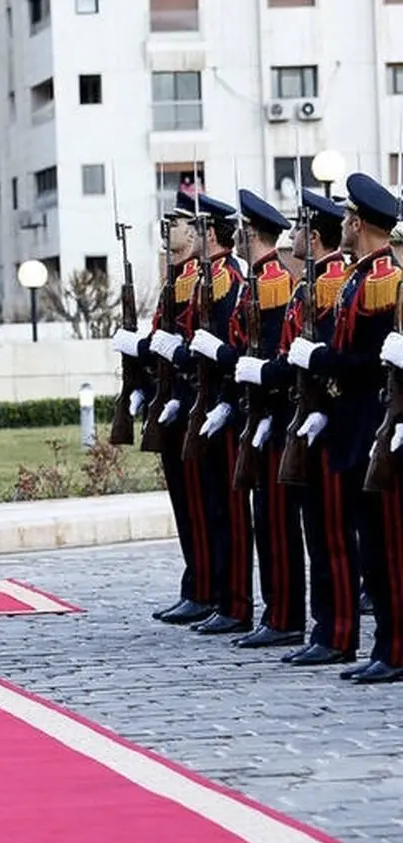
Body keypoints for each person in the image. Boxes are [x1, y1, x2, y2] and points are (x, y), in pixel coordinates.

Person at [290, 172, 403, 683]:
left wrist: (322, 361)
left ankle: (395, 648)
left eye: (350, 218)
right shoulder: (361, 275)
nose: (345, 225)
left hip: (371, 420)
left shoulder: (384, 277)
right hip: (350, 425)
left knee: (387, 546)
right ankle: (384, 647)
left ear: (359, 221)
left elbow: (368, 362)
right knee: (371, 547)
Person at [238, 189, 354, 663]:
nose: (295, 236)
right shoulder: (311, 284)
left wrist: (269, 374)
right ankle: (316, 627)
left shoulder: (332, 282)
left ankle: (336, 631)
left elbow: (329, 357)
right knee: (309, 532)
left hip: (324, 421)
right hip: (297, 416)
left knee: (330, 536)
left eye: (303, 228)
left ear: (317, 234)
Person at [150, 193, 255, 636]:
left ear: (209, 232)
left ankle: (224, 596)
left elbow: (229, 346)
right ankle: (203, 588)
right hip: (192, 402)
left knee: (223, 511)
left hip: (217, 408)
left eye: (189, 226)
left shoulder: (226, 279)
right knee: (197, 506)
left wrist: (220, 399)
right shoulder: (191, 278)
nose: (182, 234)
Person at [115, 192, 215, 626]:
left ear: (195, 231)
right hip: (172, 401)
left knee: (202, 506)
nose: (166, 230)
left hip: (194, 402)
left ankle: (208, 589)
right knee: (186, 504)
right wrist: (138, 370)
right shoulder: (176, 277)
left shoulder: (202, 278)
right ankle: (196, 585)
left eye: (174, 223)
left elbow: (191, 344)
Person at [221, 189, 307, 649]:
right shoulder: (258, 279)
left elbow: (276, 353)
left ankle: (286, 616)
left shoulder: (272, 280)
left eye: (239, 226)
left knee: (277, 521)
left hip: (273, 417)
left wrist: (269, 411)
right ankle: (277, 613)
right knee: (267, 521)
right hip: (257, 414)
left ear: (250, 231)